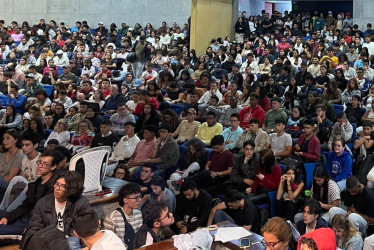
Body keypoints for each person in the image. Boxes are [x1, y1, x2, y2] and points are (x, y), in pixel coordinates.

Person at [0, 149, 63, 240]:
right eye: (39, 162)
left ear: (53, 167)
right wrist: (8, 217)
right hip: (23, 216)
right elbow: (26, 205)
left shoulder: (54, 187)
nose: (40, 166)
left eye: (45, 164)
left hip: (31, 224)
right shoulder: (38, 182)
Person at [21, 171, 90, 250]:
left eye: (62, 186)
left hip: (71, 237)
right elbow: (34, 228)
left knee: (72, 243)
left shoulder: (80, 202)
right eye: (56, 184)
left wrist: (86, 246)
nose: (57, 188)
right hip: (50, 239)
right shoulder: (43, 203)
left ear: (72, 189)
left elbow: (86, 226)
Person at [104, 183, 143, 248]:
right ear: (125, 200)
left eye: (140, 197)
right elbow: (108, 242)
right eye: (136, 198)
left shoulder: (138, 214)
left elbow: (140, 236)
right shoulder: (112, 218)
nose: (139, 200)